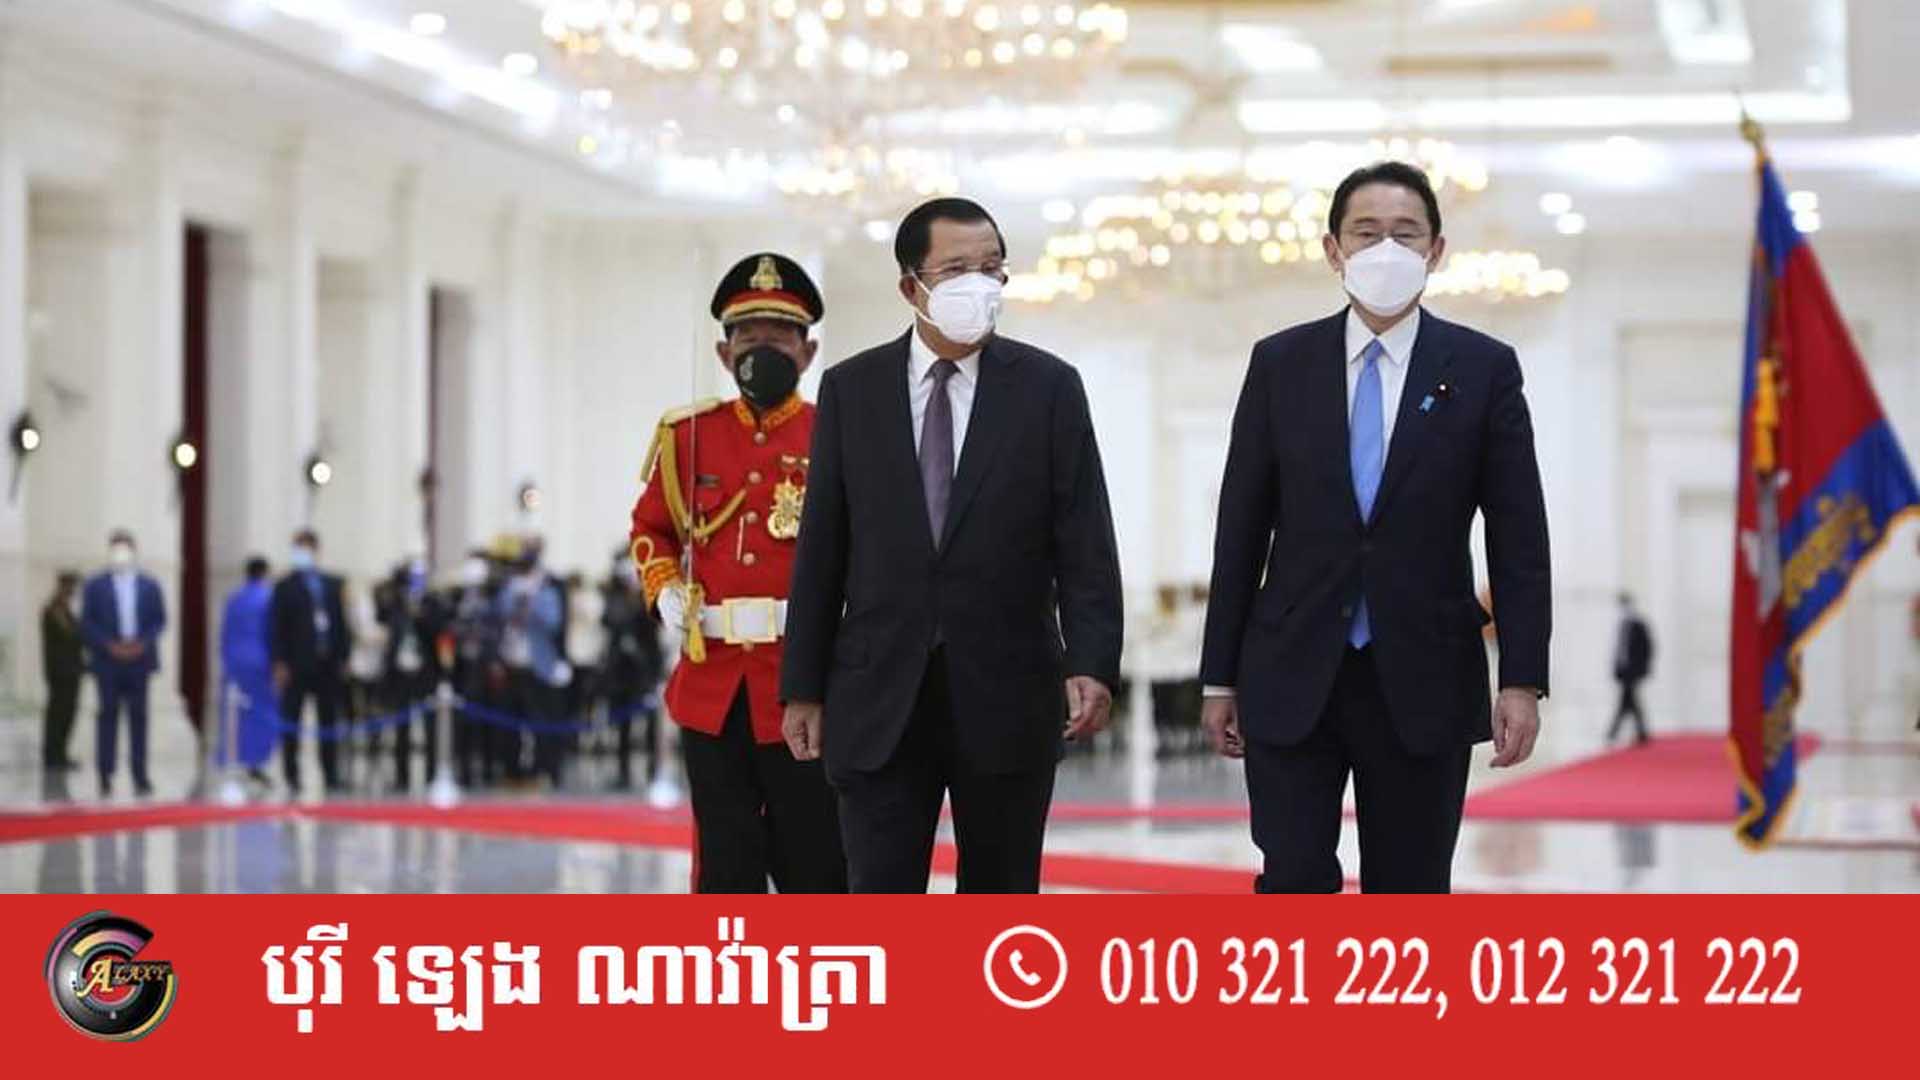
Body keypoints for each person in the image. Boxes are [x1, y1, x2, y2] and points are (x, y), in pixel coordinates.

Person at [1199, 161, 1552, 894]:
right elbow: (1241, 530)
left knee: (1411, 884)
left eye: (1405, 233)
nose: (1385, 249)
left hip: (1424, 671)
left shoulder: (1483, 369)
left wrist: (1521, 679)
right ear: (1334, 250)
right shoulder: (1281, 364)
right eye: (1366, 233)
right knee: (1292, 877)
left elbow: (1519, 537)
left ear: (1436, 250)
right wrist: (1218, 677)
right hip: (1293, 668)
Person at [781, 200, 1125, 893]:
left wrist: (1092, 662)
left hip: (1009, 691)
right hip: (878, 694)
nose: (979, 284)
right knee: (880, 898)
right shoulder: (852, 389)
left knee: (1000, 899)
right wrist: (802, 687)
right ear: (911, 287)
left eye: (991, 268)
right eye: (957, 269)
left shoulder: (1049, 389)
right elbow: (822, 548)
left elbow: (1084, 540)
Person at [629, 251, 848, 894]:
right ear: (725, 355)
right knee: (725, 868)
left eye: (780, 337)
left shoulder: (837, 434)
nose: (763, 350)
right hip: (713, 686)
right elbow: (651, 529)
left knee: (816, 865)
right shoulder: (688, 435)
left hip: (805, 686)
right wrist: (664, 589)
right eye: (748, 338)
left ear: (808, 352)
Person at [79, 530, 167, 798]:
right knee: (107, 716)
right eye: (116, 549)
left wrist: (143, 643)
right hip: (108, 661)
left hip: (139, 660)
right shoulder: (95, 585)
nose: (121, 555)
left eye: (125, 549)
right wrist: (109, 645)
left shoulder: (149, 585)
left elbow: (159, 620)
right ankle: (105, 774)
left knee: (139, 718)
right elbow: (87, 622)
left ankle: (140, 775)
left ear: (134, 551)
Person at [270, 529, 352, 795]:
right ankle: (292, 774)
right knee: (292, 720)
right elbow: (276, 628)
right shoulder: (285, 587)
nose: (303, 554)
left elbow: (341, 623)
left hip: (327, 663)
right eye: (299, 549)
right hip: (295, 664)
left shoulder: (332, 585)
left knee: (328, 720)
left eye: (307, 549)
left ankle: (330, 773)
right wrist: (279, 662)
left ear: (317, 551)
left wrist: (344, 656)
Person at [494, 536, 570, 787]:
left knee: (541, 721)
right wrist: (516, 596)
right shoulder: (509, 586)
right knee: (510, 722)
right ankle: (513, 770)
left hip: (539, 666)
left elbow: (554, 621)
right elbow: (501, 612)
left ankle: (542, 769)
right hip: (512, 662)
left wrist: (532, 600)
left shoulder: (547, 589)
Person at [383, 558, 449, 790]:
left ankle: (431, 775)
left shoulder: (433, 603)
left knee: (429, 727)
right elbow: (386, 623)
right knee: (401, 727)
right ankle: (401, 776)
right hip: (401, 672)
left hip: (426, 672)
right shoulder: (396, 602)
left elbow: (439, 631)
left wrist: (420, 616)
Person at [601, 555, 666, 791]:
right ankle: (622, 772)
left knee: (650, 727)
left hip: (644, 672)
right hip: (620, 673)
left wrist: (657, 675)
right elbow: (608, 620)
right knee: (622, 727)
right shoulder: (615, 599)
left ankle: (653, 771)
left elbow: (654, 633)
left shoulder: (647, 599)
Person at [217, 557, 278, 784]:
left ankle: (232, 757)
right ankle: (256, 761)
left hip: (234, 663)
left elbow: (225, 633)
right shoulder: (268, 598)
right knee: (260, 714)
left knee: (235, 714)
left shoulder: (234, 599)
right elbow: (273, 633)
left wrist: (227, 659)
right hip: (261, 663)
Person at [40, 571, 85, 771]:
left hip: (72, 672)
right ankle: (52, 756)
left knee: (68, 714)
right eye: (70, 586)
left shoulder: (66, 610)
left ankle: (61, 754)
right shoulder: (54, 610)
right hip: (60, 673)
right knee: (58, 715)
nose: (72, 591)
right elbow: (71, 636)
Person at [1608, 592, 1654, 746]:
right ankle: (1641, 732)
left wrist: (1643, 669)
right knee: (1629, 701)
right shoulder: (1620, 625)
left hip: (1634, 671)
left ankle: (1613, 732)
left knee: (1627, 701)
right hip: (1623, 670)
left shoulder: (1638, 625)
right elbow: (1618, 649)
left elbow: (1647, 648)